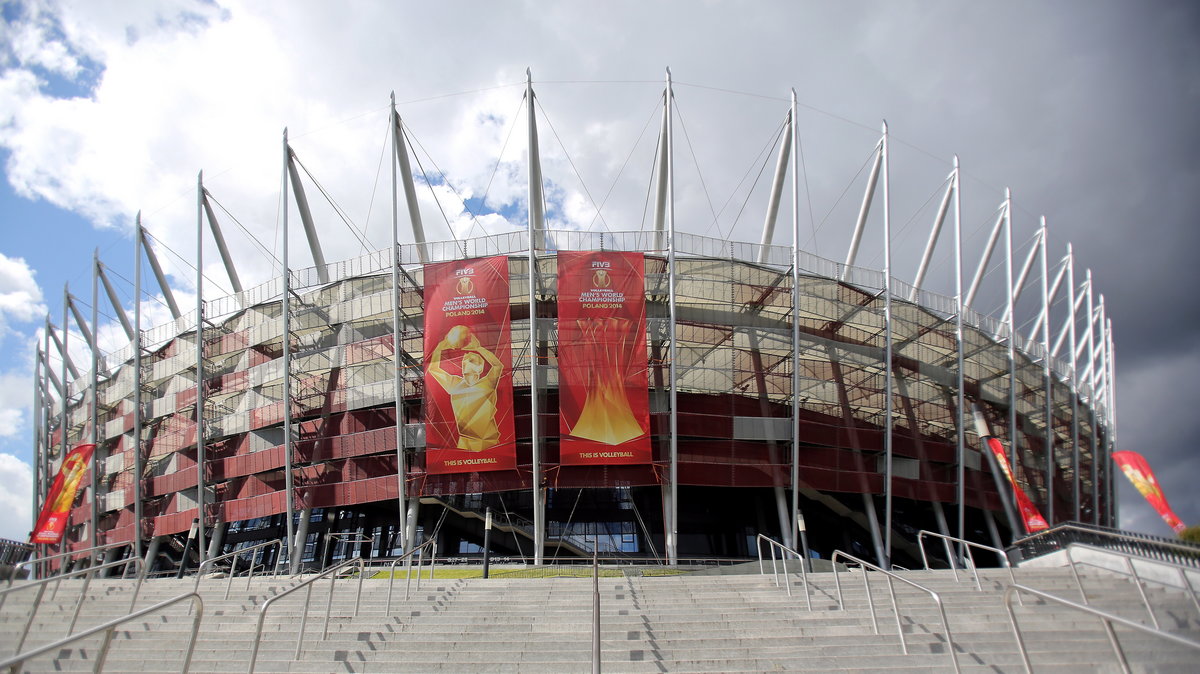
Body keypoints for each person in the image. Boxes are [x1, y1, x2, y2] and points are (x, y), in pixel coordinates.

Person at [428, 326, 503, 451]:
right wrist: (439, 348)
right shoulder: (455, 384)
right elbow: (433, 369)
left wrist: (479, 348)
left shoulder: (487, 384)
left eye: (472, 361)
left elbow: (497, 365)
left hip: (488, 442)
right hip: (464, 442)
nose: (465, 363)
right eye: (464, 361)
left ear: (480, 369)